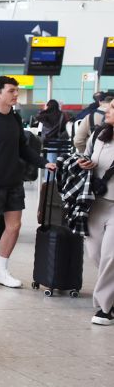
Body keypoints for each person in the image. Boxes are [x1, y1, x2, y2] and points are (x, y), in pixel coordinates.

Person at [0, 76, 56, 289]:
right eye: (11, 91)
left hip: (13, 181)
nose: (16, 94)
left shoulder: (14, 119)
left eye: (16, 91)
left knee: (14, 226)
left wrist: (44, 163)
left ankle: (0, 269)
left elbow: (23, 148)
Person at [78, 102, 114, 325]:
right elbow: (85, 154)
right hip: (96, 203)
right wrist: (84, 163)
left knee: (111, 256)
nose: (107, 111)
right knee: (95, 254)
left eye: (112, 109)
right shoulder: (100, 135)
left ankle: (105, 307)